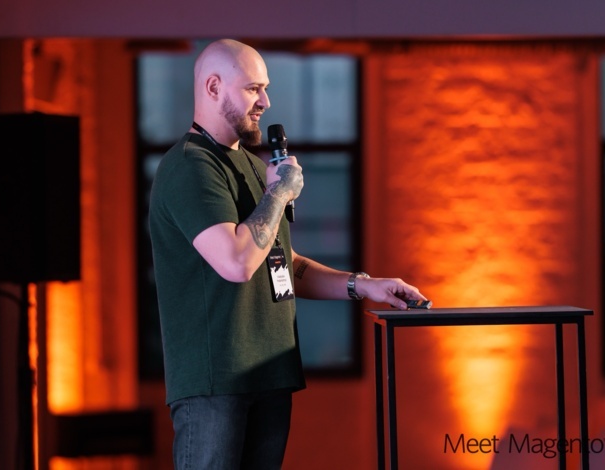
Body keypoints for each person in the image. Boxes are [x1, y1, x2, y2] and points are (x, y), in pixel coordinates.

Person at [149, 38, 428, 470]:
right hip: (216, 382)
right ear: (213, 87)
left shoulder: (253, 166)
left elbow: (283, 262)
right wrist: (279, 193)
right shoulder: (190, 166)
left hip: (269, 373)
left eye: (265, 89)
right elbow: (237, 262)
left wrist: (363, 285)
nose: (265, 102)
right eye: (253, 89)